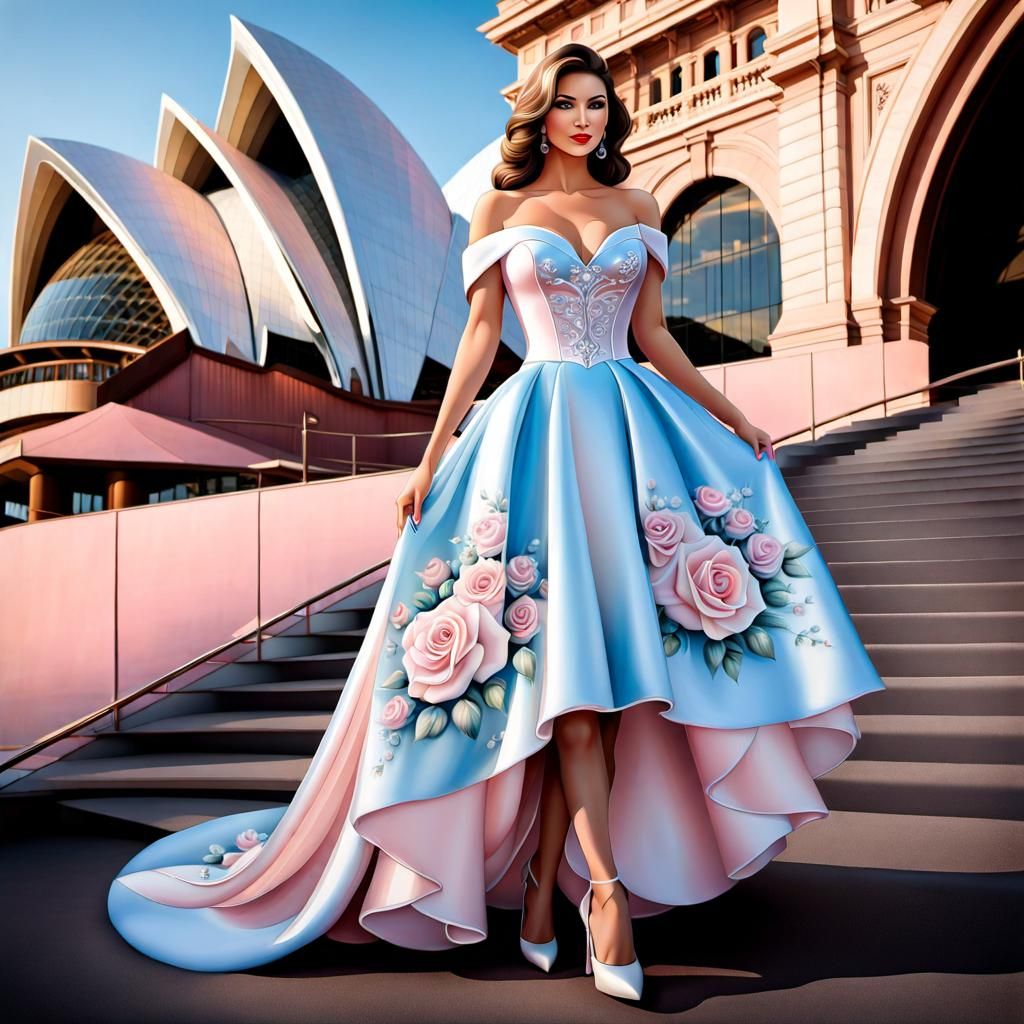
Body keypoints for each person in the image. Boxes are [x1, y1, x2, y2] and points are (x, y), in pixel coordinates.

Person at [108, 43, 886, 1001]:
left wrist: (736, 419)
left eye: (600, 103)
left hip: (633, 451)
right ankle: (599, 896)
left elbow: (654, 338)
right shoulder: (502, 211)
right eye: (568, 103)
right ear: (540, 113)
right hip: (532, 449)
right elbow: (479, 342)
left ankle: (540, 893)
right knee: (568, 688)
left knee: (605, 691)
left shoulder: (639, 208)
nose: (587, 118)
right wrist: (430, 462)